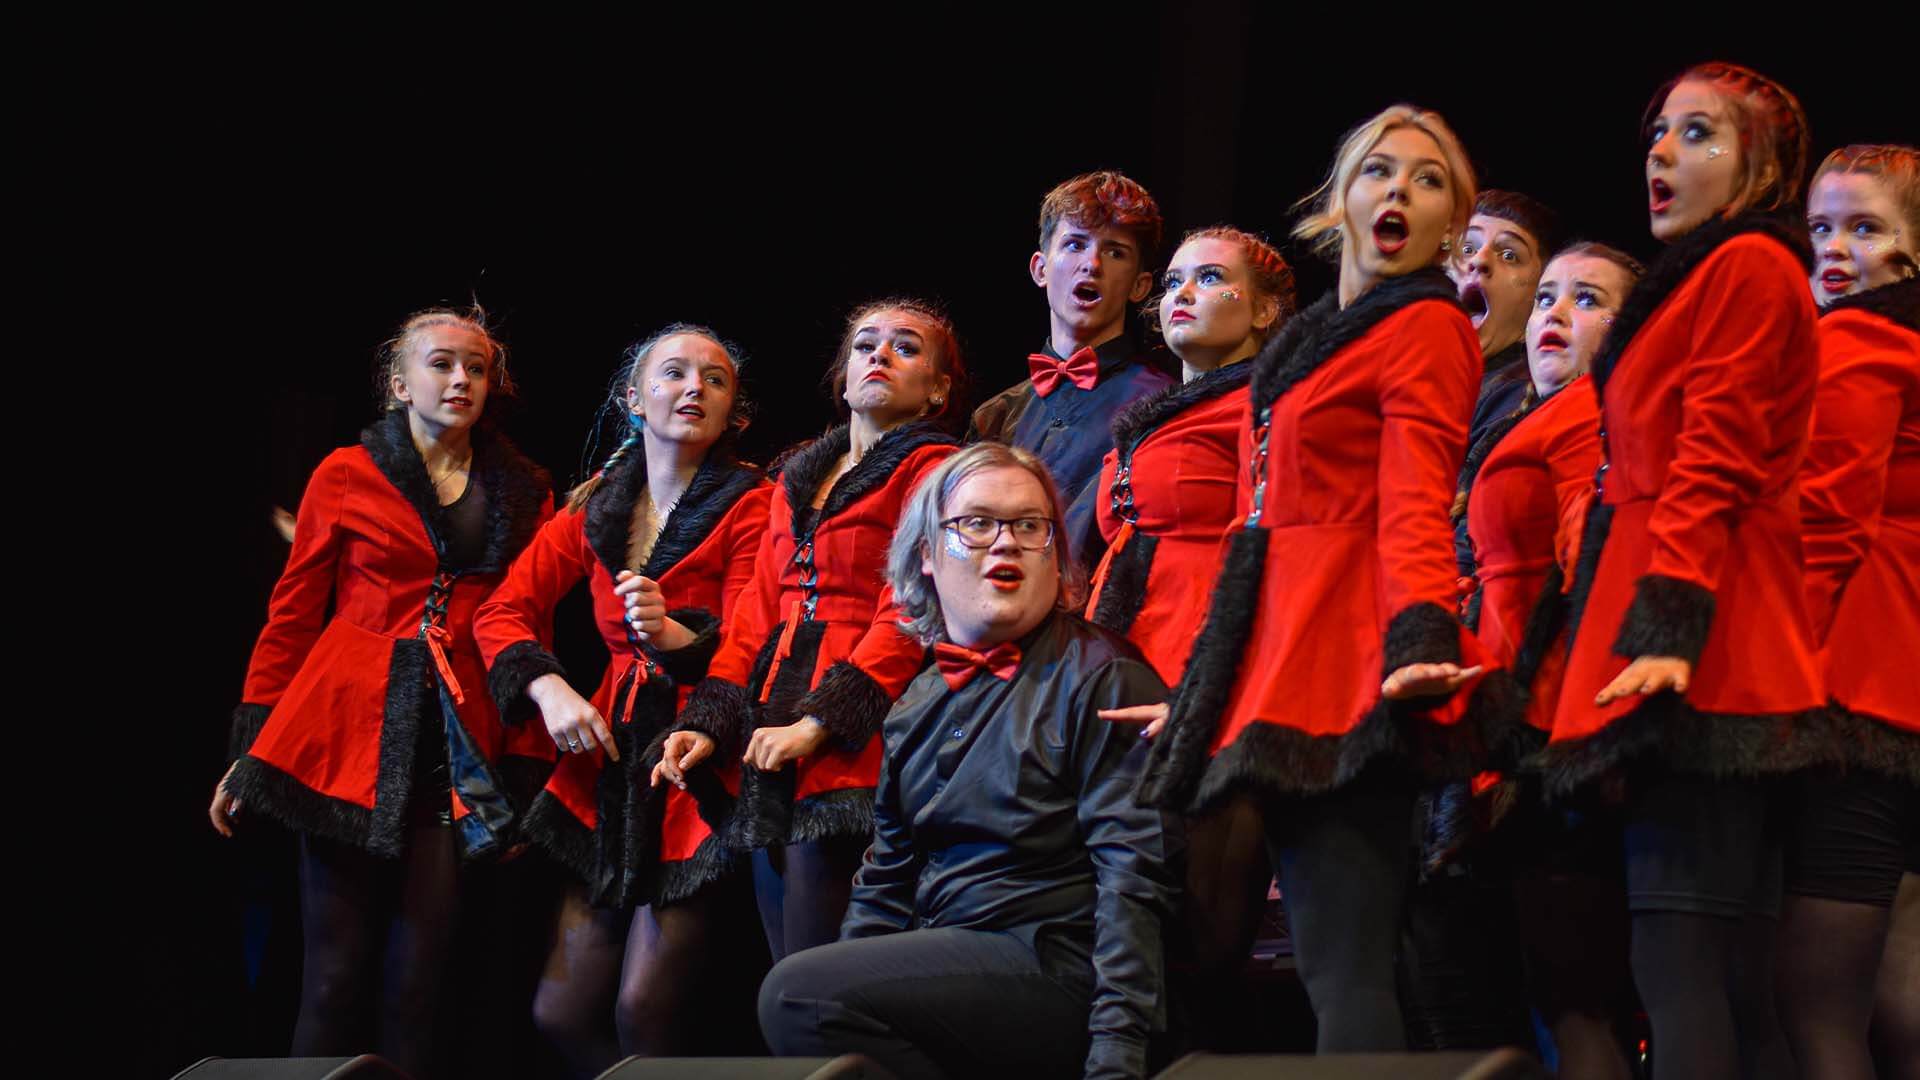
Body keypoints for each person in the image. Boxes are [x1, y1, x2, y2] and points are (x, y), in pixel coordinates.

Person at [1114, 104, 1502, 1053]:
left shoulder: (1425, 325)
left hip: (1353, 665)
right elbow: (1263, 540)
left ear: (1452, 220)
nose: (1398, 189)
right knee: (1319, 964)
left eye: (1427, 177)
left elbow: (1415, 502)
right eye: (1378, 170)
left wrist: (1416, 638)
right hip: (1286, 664)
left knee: (1345, 966)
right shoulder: (1318, 340)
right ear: (1340, 201)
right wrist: (1216, 687)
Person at [1541, 62, 1818, 1080]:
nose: (1661, 151)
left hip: (1708, 643)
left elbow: (1716, 456)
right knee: (1721, 973)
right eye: (1658, 131)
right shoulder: (1710, 275)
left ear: (1764, 165)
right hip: (1688, 626)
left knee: (1686, 960)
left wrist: (1665, 634)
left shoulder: (1748, 266)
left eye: (1697, 134)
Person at [758, 442, 1181, 1080]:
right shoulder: (917, 700)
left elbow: (1132, 885)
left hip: (1062, 969)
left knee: (797, 992)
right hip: (957, 966)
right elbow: (885, 885)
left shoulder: (1105, 678)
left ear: (1056, 555)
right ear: (926, 554)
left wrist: (1117, 1059)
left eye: (1029, 526)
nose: (1005, 542)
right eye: (977, 524)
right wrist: (858, 993)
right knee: (815, 1002)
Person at [211, 307, 553, 1076]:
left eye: (476, 367)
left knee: (419, 981)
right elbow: (292, 616)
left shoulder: (525, 489)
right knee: (332, 977)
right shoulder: (345, 472)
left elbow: (529, 624)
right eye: (441, 364)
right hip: (344, 734)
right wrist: (251, 750)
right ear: (401, 382)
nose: (461, 379)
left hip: (454, 741)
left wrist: (526, 758)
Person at [471, 325, 771, 1073]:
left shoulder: (753, 504)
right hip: (608, 762)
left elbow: (752, 634)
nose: (694, 387)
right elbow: (500, 612)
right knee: (559, 1012)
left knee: (645, 1008)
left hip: (699, 761)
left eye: (715, 378)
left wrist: (674, 636)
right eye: (674, 373)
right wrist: (550, 690)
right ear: (634, 399)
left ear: (735, 411)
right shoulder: (597, 508)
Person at [672, 299, 963, 961]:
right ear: (843, 376)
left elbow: (911, 609)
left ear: (938, 390)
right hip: (771, 729)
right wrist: (709, 717)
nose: (880, 357)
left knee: (820, 968)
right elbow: (756, 607)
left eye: (905, 348)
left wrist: (822, 721)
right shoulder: (798, 478)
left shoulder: (934, 471)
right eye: (865, 346)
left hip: (860, 738)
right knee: (783, 970)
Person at [1782, 143, 1920, 1080]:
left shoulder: (1861, 339)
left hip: (1854, 690)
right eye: (1821, 227)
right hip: (1906, 696)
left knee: (1816, 1013)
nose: (1833, 249)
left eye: (1865, 228)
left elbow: (1823, 527)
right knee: (1900, 1002)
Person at [968, 171, 1176, 565]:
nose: (1092, 264)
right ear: (1040, 269)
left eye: (1115, 252)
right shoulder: (995, 416)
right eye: (1075, 244)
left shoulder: (1160, 404)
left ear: (1140, 285)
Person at [1449, 190, 1565, 579]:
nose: (1479, 262)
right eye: (1467, 246)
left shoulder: (1513, 400)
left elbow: (1464, 557)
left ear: (1536, 299)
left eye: (1509, 255)